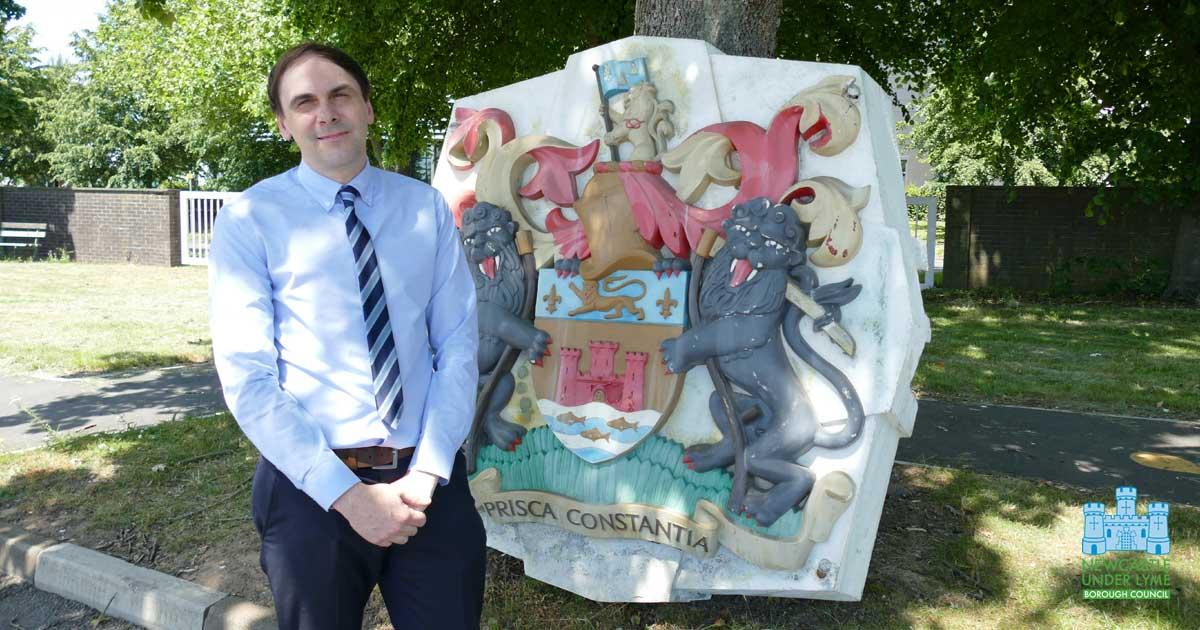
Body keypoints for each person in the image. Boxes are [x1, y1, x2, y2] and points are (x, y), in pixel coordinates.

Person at [208, 42, 484, 629]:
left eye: (340, 95)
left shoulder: (424, 209)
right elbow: (248, 378)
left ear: (367, 109)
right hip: (312, 488)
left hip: (427, 483)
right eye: (304, 102)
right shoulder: (250, 219)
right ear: (285, 124)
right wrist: (349, 497)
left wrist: (429, 474)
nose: (325, 112)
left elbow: (458, 345)